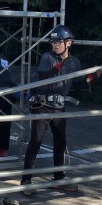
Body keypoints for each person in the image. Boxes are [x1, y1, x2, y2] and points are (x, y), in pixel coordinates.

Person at [20, 24, 92, 193]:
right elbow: (45, 76)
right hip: (42, 105)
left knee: (60, 143)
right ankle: (26, 181)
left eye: (59, 41)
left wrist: (91, 77)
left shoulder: (74, 63)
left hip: (59, 107)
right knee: (36, 141)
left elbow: (77, 85)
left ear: (69, 43)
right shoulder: (47, 57)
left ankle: (58, 178)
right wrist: (61, 65)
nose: (55, 45)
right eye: (53, 42)